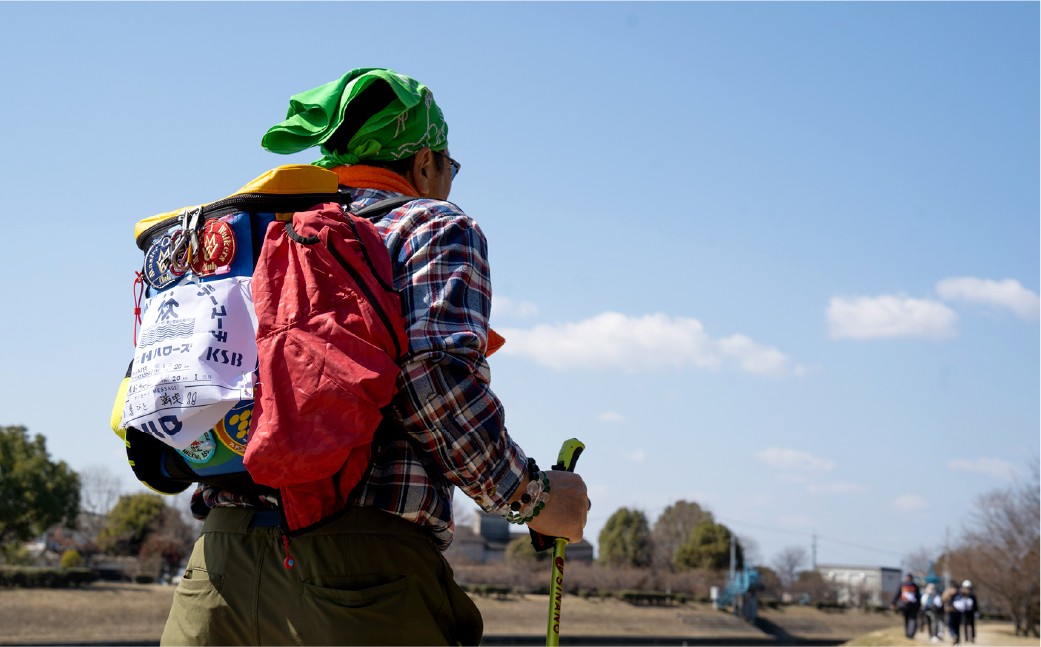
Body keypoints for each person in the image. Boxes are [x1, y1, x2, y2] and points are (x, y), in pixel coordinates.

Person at [159, 68, 589, 646]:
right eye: (448, 169)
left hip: (217, 568)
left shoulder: (261, 230)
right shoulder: (431, 224)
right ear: (423, 163)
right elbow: (431, 382)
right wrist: (533, 499)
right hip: (358, 576)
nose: (447, 182)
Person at [892, 573, 922, 639]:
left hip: (904, 606)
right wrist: (919, 605)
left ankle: (908, 633)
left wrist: (893, 602)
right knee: (912, 619)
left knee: (907, 620)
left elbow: (897, 594)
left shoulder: (902, 585)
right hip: (913, 606)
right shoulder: (915, 586)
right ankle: (910, 634)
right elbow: (918, 597)